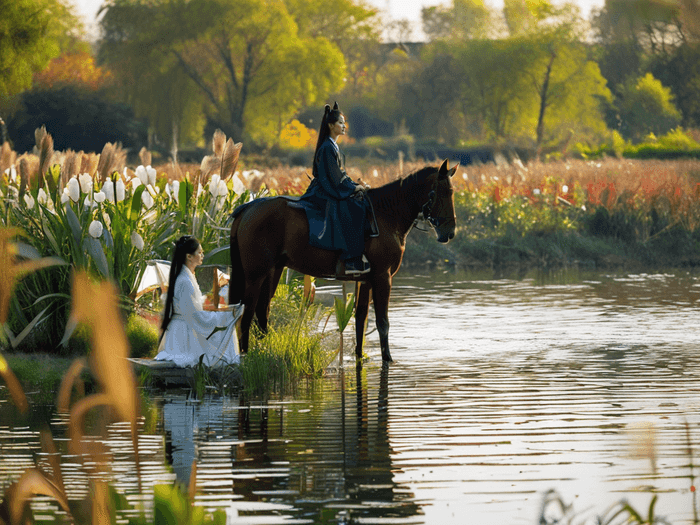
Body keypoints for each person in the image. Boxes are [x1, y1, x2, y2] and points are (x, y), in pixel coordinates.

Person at [297, 102, 370, 275]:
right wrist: (355, 188)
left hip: (332, 186)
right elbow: (336, 177)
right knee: (352, 207)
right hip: (326, 190)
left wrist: (355, 186)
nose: (344, 126)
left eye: (344, 123)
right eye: (340, 123)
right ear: (331, 125)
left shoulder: (332, 146)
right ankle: (350, 259)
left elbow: (339, 175)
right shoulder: (327, 147)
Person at [155, 235, 244, 367]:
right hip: (184, 336)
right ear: (189, 256)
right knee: (226, 323)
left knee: (225, 322)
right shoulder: (185, 281)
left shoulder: (187, 276)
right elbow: (196, 317)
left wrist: (221, 311)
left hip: (186, 328)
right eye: (199, 252)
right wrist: (224, 316)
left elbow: (193, 310)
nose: (202, 255)